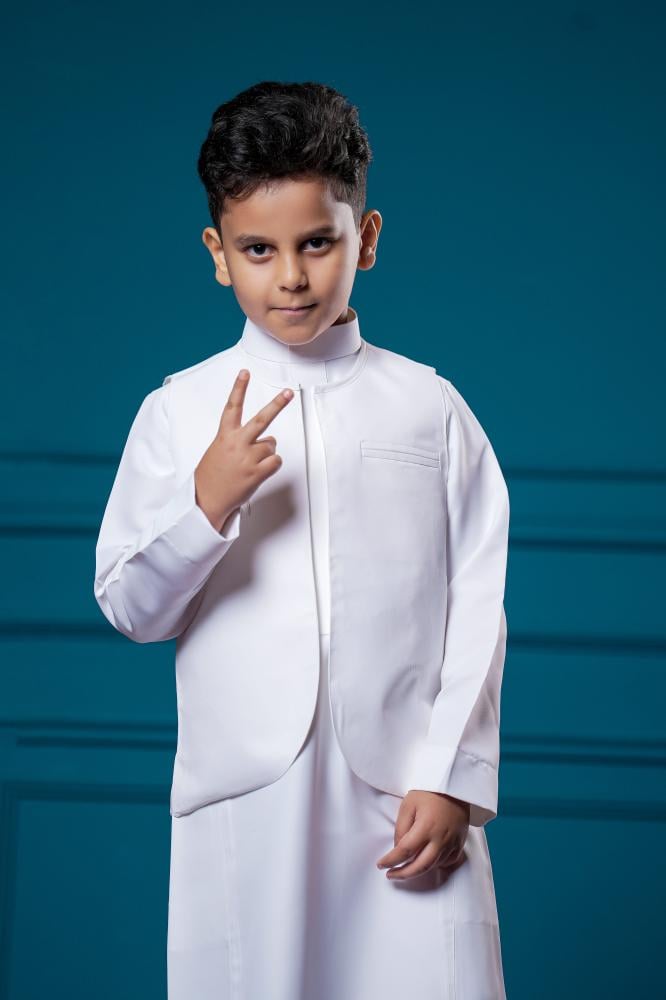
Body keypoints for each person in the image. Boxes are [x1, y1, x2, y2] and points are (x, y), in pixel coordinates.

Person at [94, 80, 510, 999]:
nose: (289, 275)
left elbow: (479, 604)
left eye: (316, 242)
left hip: (406, 794)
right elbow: (130, 607)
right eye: (258, 249)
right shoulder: (178, 410)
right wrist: (205, 508)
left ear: (366, 238)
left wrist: (452, 776)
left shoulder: (430, 406)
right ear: (219, 255)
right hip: (249, 792)